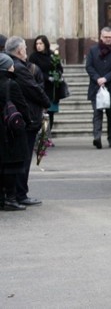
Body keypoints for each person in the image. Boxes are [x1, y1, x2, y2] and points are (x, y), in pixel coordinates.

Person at [5, 36, 50, 206]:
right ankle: (20, 193)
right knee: (23, 158)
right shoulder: (19, 68)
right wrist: (46, 102)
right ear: (19, 50)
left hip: (16, 118)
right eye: (24, 47)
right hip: (26, 118)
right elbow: (33, 89)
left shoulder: (11, 65)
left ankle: (16, 192)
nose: (26, 50)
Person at [0, 53, 31, 211]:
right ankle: (11, 199)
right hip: (10, 132)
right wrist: (28, 121)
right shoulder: (11, 84)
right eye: (11, 64)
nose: (13, 67)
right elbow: (22, 106)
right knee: (12, 166)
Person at [85, 27, 111, 149]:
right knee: (97, 113)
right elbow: (89, 66)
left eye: (110, 37)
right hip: (96, 87)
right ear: (101, 37)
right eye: (106, 37)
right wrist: (97, 78)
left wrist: (106, 78)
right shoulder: (93, 50)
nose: (108, 39)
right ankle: (97, 137)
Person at [28, 35, 64, 144]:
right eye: (37, 44)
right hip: (40, 87)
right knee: (42, 114)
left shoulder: (52, 55)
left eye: (41, 44)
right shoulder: (33, 57)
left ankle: (47, 136)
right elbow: (33, 71)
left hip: (52, 89)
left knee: (50, 113)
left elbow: (59, 67)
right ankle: (41, 136)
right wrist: (47, 77)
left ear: (46, 44)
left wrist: (57, 75)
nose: (38, 46)